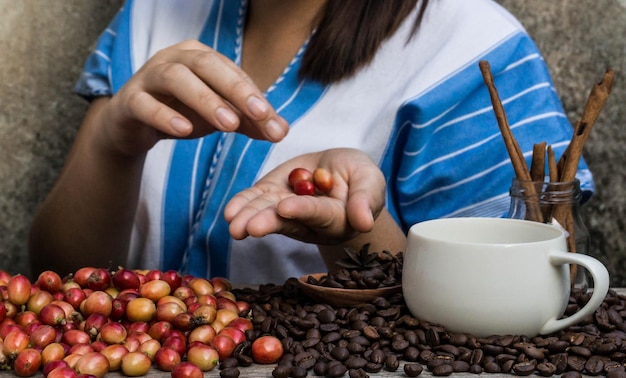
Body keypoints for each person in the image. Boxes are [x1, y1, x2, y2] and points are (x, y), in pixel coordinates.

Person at [29, 0, 593, 285]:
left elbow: (510, 311)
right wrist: (112, 142)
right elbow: (61, 276)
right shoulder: (149, 13)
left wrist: (355, 234)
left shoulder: (473, 51)